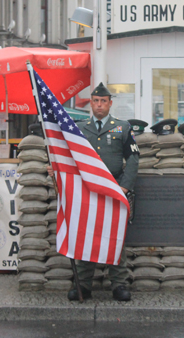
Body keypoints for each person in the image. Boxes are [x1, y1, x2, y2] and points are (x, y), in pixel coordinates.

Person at [48, 82, 139, 302]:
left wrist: (124, 187)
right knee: (85, 235)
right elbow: (68, 155)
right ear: (91, 104)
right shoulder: (79, 128)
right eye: (96, 101)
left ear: (110, 103)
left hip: (113, 189)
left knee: (115, 237)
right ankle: (83, 285)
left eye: (103, 101)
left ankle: (118, 285)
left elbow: (134, 157)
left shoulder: (123, 127)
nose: (99, 105)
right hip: (86, 190)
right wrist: (58, 170)